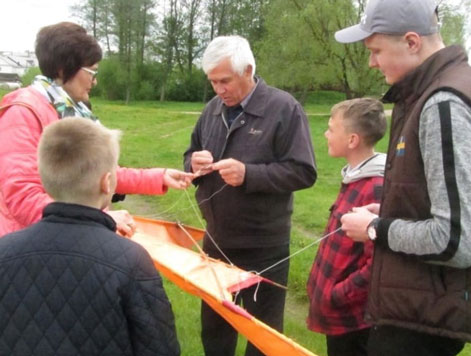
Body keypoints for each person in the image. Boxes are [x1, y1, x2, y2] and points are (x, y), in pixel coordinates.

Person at [336, 0, 471, 354]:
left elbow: (456, 239)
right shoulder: (439, 89)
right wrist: (390, 211)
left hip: (424, 317)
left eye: (375, 50)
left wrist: (376, 229)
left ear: (411, 42)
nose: (371, 62)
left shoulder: (444, 103)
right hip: (425, 304)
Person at [0, 117, 180, 355]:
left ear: (45, 178)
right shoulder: (131, 260)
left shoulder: (5, 252)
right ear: (107, 183)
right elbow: (160, 347)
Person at [183, 35, 317, 356]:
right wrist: (194, 163)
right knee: (215, 331)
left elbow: (304, 171)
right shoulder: (212, 110)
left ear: (248, 70)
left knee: (262, 336)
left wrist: (250, 174)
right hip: (216, 242)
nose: (219, 89)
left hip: (264, 248)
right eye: (213, 82)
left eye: (225, 80)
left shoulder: (284, 108)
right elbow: (189, 155)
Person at [0, 22, 193, 237]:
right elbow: (22, 197)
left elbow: (100, 173)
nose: (95, 81)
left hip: (70, 237)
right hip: (32, 247)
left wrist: (159, 177)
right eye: (91, 72)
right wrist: (98, 219)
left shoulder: (71, 109)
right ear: (64, 69)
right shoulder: (22, 112)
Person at [307, 98, 386, 356]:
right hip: (337, 314)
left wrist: (336, 295)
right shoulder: (353, 176)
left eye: (331, 129)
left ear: (352, 140)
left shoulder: (375, 187)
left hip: (352, 319)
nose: (325, 134)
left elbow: (377, 265)